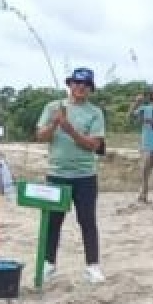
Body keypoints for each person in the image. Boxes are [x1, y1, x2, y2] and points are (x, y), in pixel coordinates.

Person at [35, 67, 107, 283]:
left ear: (90, 89)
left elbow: (94, 145)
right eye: (76, 83)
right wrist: (56, 123)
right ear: (70, 85)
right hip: (56, 174)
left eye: (85, 84)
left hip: (85, 175)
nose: (80, 87)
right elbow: (40, 137)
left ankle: (92, 266)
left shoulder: (95, 113)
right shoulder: (52, 107)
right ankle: (48, 264)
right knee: (52, 221)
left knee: (87, 220)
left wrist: (70, 130)